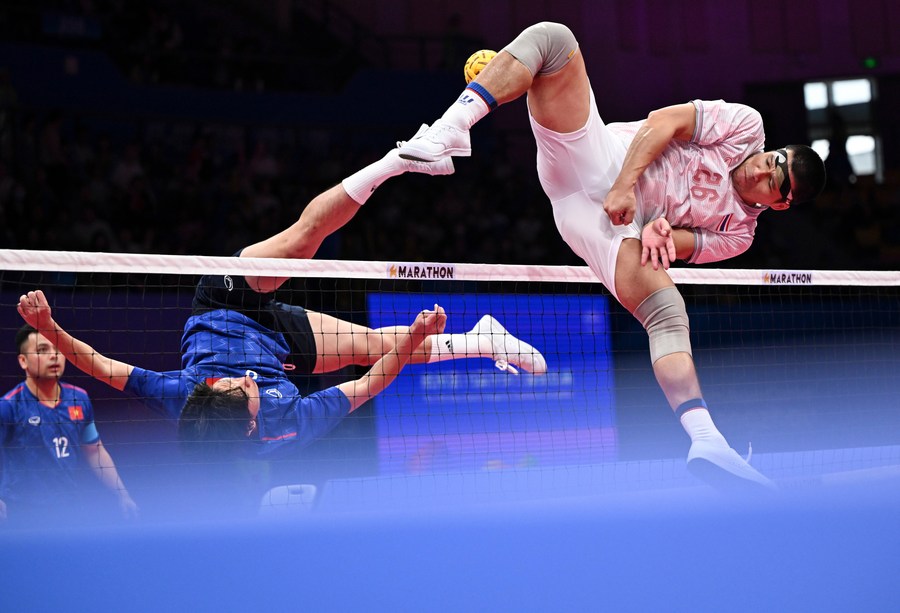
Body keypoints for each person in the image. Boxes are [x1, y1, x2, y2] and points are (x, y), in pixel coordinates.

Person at [398, 22, 827, 490]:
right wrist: (624, 185)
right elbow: (663, 122)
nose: (765, 168)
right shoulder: (746, 127)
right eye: (774, 158)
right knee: (554, 41)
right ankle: (450, 130)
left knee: (668, 312)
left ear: (782, 202)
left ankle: (707, 441)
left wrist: (661, 229)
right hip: (599, 160)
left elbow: (673, 245)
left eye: (775, 180)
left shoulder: (738, 233)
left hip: (602, 224)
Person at [15, 139, 546, 460]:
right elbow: (369, 383)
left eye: (239, 385)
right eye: (252, 394)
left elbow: (102, 366)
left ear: (213, 391)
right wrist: (415, 335)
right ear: (252, 424)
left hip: (222, 304)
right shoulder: (281, 422)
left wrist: (50, 325)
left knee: (303, 242)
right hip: (277, 341)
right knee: (377, 346)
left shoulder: (181, 399)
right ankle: (480, 339)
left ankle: (395, 161)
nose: (251, 384)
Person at [0, 325, 138, 524]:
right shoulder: (8, 406)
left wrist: (122, 494)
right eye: (42, 350)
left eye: (57, 349)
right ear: (23, 361)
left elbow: (95, 451)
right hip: (22, 511)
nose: (54, 356)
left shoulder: (79, 399)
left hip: (68, 510)